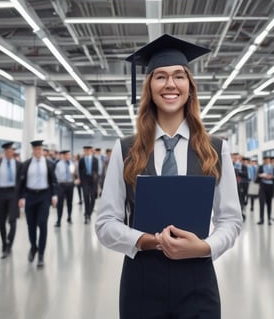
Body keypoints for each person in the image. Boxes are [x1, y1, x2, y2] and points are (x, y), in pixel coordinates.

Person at [95, 34, 242, 319]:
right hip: (142, 281)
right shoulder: (125, 148)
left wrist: (205, 246)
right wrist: (148, 240)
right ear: (149, 86)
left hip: (197, 279)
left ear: (190, 87)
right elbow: (105, 223)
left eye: (179, 76)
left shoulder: (216, 149)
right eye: (160, 76)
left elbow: (230, 220)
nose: (170, 84)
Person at [17, 140, 58, 268]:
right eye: (36, 150)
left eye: (41, 149)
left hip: (44, 196)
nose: (39, 152)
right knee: (31, 225)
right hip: (30, 196)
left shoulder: (49, 164)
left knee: (42, 223)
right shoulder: (25, 165)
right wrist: (21, 197)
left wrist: (54, 195)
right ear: (33, 151)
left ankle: (41, 255)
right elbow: (21, 183)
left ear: (43, 150)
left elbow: (54, 181)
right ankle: (33, 247)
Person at [0, 142, 22, 258]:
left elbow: (21, 181)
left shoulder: (18, 165)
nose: (10, 153)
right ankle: (4, 244)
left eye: (11, 151)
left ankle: (9, 242)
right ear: (4, 152)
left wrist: (22, 196)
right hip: (1, 194)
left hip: (13, 194)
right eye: (7, 151)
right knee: (1, 221)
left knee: (12, 220)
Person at [54, 150, 79, 227]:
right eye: (67, 155)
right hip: (61, 185)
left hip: (70, 185)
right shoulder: (58, 164)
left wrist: (75, 179)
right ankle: (58, 220)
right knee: (60, 203)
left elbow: (73, 174)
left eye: (69, 155)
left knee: (69, 202)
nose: (69, 156)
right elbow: (56, 176)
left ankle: (69, 217)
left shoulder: (71, 164)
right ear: (63, 156)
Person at [79, 146, 98, 224]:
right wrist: (81, 181)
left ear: (91, 151)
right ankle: (87, 215)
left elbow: (96, 171)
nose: (86, 152)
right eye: (85, 150)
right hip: (85, 180)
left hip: (93, 181)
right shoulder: (82, 160)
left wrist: (97, 182)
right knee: (86, 197)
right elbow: (80, 170)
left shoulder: (95, 160)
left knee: (93, 198)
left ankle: (89, 212)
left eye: (88, 150)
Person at [257, 155, 274, 225]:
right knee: (262, 203)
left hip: (270, 186)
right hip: (262, 186)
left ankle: (269, 219)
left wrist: (271, 177)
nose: (266, 161)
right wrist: (261, 175)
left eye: (267, 160)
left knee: (269, 203)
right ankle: (261, 219)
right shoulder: (261, 167)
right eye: (265, 160)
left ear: (269, 160)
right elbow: (257, 176)